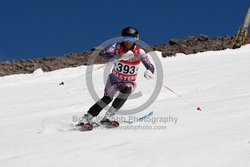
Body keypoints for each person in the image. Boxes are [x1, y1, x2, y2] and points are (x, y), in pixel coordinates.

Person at [78, 27, 155, 130]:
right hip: (114, 80)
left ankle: (108, 117)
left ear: (137, 38)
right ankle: (87, 118)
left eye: (131, 39)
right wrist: (115, 58)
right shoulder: (116, 47)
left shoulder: (140, 52)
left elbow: (150, 66)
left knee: (127, 91)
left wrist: (150, 71)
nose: (128, 42)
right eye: (126, 38)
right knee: (107, 98)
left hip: (129, 82)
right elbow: (106, 55)